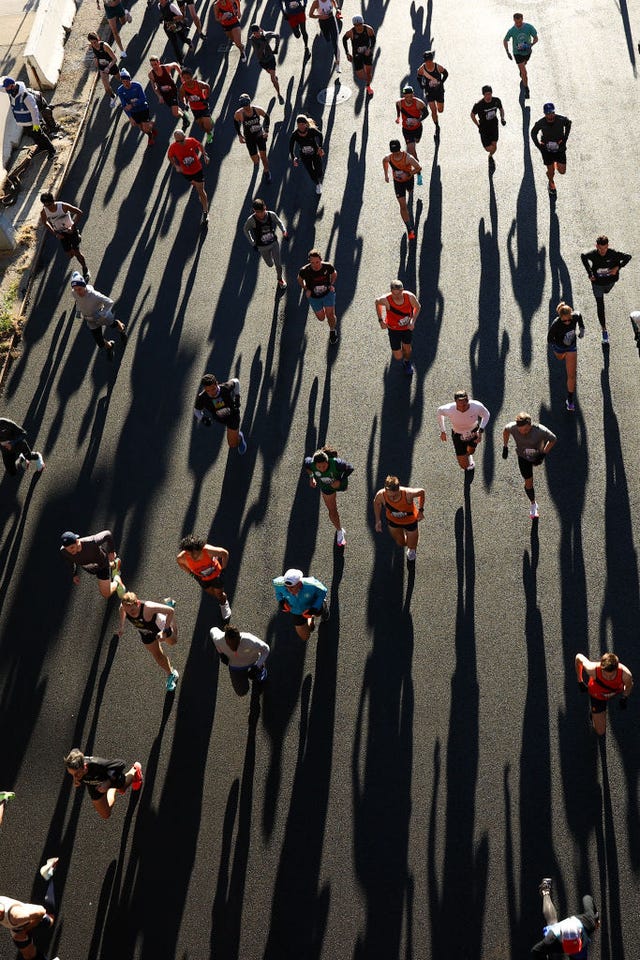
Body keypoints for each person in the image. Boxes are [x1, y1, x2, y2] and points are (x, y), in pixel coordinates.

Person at [118, 592, 179, 692]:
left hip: (159, 626)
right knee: (157, 655)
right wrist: (122, 626)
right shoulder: (124, 607)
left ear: (137, 603)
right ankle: (171, 674)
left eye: (132, 610)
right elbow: (121, 610)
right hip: (145, 632)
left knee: (173, 641)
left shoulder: (148, 607)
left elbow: (171, 611)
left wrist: (164, 631)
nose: (130, 613)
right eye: (128, 611)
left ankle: (168, 606)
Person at [502, 412, 556, 520]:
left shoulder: (540, 430)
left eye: (526, 430)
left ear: (530, 425)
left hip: (537, 456)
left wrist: (543, 454)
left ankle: (533, 503)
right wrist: (505, 446)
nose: (523, 433)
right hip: (523, 458)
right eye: (520, 430)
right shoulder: (512, 427)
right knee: (528, 482)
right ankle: (533, 504)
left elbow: (553, 439)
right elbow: (506, 430)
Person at [64, 748, 143, 820]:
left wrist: (108, 783)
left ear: (84, 767)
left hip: (110, 779)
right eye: (71, 774)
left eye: (76, 774)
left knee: (123, 787)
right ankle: (112, 789)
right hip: (94, 786)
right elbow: (75, 750)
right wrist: (76, 778)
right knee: (106, 815)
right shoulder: (75, 762)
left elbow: (121, 763)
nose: (75, 777)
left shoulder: (98, 764)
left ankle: (135, 770)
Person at [580, 236, 632, 344]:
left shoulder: (613, 253)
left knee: (607, 291)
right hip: (597, 284)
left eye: (605, 248)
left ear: (608, 246)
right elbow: (583, 256)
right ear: (597, 246)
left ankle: (606, 290)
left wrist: (618, 268)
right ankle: (604, 330)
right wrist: (590, 273)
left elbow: (628, 257)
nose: (603, 251)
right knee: (600, 304)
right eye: (600, 249)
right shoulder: (593, 254)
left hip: (610, 282)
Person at [0, 864, 58, 960]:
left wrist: (26, 929)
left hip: (25, 922)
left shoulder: (16, 915)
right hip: (17, 929)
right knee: (29, 956)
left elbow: (41, 911)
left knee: (50, 920)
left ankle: (49, 876)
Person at [303, 446, 353, 547]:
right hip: (327, 488)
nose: (322, 469)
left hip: (340, 485)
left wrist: (340, 481)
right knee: (332, 510)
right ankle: (340, 531)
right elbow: (306, 464)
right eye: (319, 467)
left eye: (324, 466)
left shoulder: (337, 463)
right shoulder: (310, 463)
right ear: (315, 464)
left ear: (328, 461)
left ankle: (342, 487)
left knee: (344, 488)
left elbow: (350, 468)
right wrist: (312, 477)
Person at [69, 272, 127, 360]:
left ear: (84, 286)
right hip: (90, 320)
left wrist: (101, 313)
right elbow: (78, 301)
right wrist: (78, 310)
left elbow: (109, 302)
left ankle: (122, 329)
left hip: (102, 317)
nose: (78, 292)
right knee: (99, 342)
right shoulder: (74, 293)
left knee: (113, 325)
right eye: (75, 289)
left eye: (79, 289)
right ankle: (110, 346)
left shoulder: (94, 295)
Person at [533, 879, 598, 955]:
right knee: (552, 924)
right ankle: (545, 891)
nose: (571, 951)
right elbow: (536, 951)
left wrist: (596, 918)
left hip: (566, 941)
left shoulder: (589, 922)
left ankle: (545, 891)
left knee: (552, 923)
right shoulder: (551, 938)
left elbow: (587, 898)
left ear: (580, 933)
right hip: (559, 940)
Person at [176, 535, 232, 623]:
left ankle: (224, 603)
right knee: (211, 593)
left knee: (219, 595)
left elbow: (224, 553)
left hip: (216, 576)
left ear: (200, 548)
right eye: (188, 553)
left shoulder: (207, 550)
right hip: (202, 579)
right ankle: (220, 597)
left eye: (194, 553)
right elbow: (180, 563)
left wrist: (223, 570)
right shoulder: (182, 557)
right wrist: (192, 574)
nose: (191, 556)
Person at [575, 652, 633, 736]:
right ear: (601, 668)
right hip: (597, 696)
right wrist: (580, 680)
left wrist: (624, 697)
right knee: (600, 732)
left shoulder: (626, 675)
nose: (608, 678)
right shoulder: (592, 669)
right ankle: (594, 715)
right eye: (605, 675)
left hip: (614, 692)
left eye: (612, 675)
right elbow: (578, 657)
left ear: (617, 669)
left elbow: (629, 686)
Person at [60, 529, 125, 599]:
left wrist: (111, 552)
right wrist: (74, 574)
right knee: (106, 568)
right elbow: (70, 561)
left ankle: (117, 582)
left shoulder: (91, 542)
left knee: (106, 594)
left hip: (102, 566)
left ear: (77, 541)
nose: (70, 551)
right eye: (67, 549)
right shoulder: (64, 551)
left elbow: (107, 534)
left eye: (72, 547)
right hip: (91, 568)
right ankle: (114, 564)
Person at [373, 475, 425, 562]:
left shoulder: (408, 493)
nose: (392, 498)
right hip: (394, 522)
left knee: (411, 545)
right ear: (385, 490)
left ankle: (412, 548)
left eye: (394, 496)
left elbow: (422, 492)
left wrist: (421, 510)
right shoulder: (381, 495)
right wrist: (378, 520)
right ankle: (411, 539)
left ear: (399, 490)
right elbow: (377, 503)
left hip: (410, 521)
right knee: (401, 543)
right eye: (389, 496)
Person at [0, 77, 55, 158]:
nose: (6, 88)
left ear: (12, 86)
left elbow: (34, 110)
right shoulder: (11, 92)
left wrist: (36, 124)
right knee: (33, 136)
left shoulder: (26, 96)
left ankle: (52, 150)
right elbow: (1, 88)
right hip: (23, 123)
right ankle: (42, 147)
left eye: (7, 87)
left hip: (31, 122)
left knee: (40, 136)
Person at [437, 389, 491, 472]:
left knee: (471, 451)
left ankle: (468, 455)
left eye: (464, 405)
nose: (462, 409)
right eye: (459, 406)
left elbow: (486, 415)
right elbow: (439, 412)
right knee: (464, 466)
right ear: (455, 402)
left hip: (473, 432)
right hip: (458, 435)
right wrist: (443, 431)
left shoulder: (476, 406)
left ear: (468, 401)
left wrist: (480, 431)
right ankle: (466, 459)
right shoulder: (449, 409)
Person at [193, 373, 247, 454]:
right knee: (231, 436)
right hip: (220, 418)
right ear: (204, 388)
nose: (211, 392)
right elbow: (196, 410)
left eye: (213, 389)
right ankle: (235, 434)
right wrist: (203, 418)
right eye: (208, 390)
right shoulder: (202, 397)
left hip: (233, 416)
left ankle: (239, 437)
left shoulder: (225, 388)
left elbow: (236, 381)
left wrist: (237, 396)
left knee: (232, 444)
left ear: (216, 383)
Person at [375, 280, 420, 376]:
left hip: (406, 328)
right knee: (398, 356)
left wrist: (412, 321)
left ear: (402, 290)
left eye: (399, 293)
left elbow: (418, 307)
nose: (397, 296)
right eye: (394, 294)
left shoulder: (410, 297)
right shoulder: (386, 299)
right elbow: (377, 302)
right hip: (393, 329)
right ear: (391, 292)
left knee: (407, 349)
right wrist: (380, 320)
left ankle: (407, 362)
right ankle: (402, 354)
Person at [40, 193, 89, 278]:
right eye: (45, 205)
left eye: (49, 204)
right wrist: (55, 234)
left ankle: (85, 269)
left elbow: (79, 213)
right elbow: (45, 222)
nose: (48, 207)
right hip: (61, 234)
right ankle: (77, 239)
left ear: (53, 201)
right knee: (70, 255)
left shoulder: (63, 206)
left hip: (71, 231)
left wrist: (72, 226)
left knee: (77, 253)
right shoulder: (44, 212)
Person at [210, 623, 269, 694]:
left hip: (253, 661)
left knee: (260, 678)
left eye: (236, 644)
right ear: (225, 639)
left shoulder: (250, 640)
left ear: (239, 638)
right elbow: (212, 630)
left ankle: (261, 674)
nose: (233, 648)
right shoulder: (219, 639)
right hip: (236, 667)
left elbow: (266, 649)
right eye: (229, 645)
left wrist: (257, 666)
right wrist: (221, 653)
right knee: (241, 692)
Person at [547, 301, 584, 411]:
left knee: (571, 375)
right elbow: (549, 339)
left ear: (571, 314)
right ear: (560, 318)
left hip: (572, 347)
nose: (567, 322)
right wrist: (558, 345)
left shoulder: (575, 316)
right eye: (564, 320)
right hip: (559, 348)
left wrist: (582, 328)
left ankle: (570, 400)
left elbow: (580, 316)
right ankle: (562, 355)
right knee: (560, 358)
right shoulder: (555, 324)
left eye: (569, 319)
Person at [243, 198, 288, 289]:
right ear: (254, 211)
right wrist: (252, 243)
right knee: (270, 264)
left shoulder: (271, 214)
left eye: (263, 210)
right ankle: (270, 259)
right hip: (262, 247)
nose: (262, 213)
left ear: (265, 207)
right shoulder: (251, 220)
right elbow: (245, 230)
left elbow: (279, 222)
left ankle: (280, 279)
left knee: (278, 264)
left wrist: (284, 231)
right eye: (259, 212)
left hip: (273, 243)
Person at [272, 568, 329, 641]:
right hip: (296, 611)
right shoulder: (278, 583)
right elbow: (278, 593)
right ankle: (309, 619)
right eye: (286, 587)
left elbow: (323, 592)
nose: (289, 590)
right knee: (305, 637)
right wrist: (281, 602)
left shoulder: (312, 584)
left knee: (318, 614)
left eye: (292, 587)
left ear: (299, 583)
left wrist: (314, 608)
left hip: (312, 605)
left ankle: (323, 608)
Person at [382, 139, 421, 241]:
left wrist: (408, 174)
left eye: (397, 152)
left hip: (408, 180)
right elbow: (384, 161)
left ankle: (411, 195)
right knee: (403, 206)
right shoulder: (389, 158)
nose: (395, 155)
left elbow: (418, 168)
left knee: (410, 191)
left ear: (400, 149)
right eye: (393, 152)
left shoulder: (408, 158)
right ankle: (409, 228)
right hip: (398, 183)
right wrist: (386, 175)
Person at [167, 129, 210, 222]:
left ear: (185, 136)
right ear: (175, 140)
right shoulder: (173, 147)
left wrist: (204, 155)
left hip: (197, 170)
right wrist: (176, 166)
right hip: (186, 173)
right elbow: (169, 156)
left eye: (182, 140)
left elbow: (199, 145)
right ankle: (200, 193)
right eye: (178, 141)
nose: (181, 142)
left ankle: (205, 211)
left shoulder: (190, 141)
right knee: (194, 184)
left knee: (201, 191)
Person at [297, 249, 338, 344]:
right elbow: (299, 279)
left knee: (330, 315)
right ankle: (331, 319)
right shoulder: (304, 270)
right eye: (312, 262)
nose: (315, 265)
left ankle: (332, 330)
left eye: (317, 262)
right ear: (309, 261)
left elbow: (334, 273)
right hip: (314, 298)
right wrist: (306, 289)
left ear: (321, 259)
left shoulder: (327, 266)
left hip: (328, 294)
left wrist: (331, 284)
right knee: (321, 318)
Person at [531, 103, 571, 196]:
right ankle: (551, 182)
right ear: (544, 114)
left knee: (562, 171)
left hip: (559, 148)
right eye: (548, 113)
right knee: (551, 171)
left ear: (554, 112)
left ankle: (556, 162)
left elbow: (568, 123)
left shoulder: (561, 119)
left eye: (552, 113)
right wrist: (539, 146)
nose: (550, 115)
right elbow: (533, 133)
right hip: (547, 150)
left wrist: (565, 139)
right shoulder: (541, 123)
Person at [233, 94, 271, 181]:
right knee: (255, 161)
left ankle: (266, 171)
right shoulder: (239, 113)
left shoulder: (257, 110)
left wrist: (266, 131)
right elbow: (235, 122)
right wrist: (239, 135)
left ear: (250, 102)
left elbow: (267, 117)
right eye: (244, 106)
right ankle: (256, 156)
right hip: (249, 139)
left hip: (259, 136)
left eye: (247, 105)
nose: (246, 107)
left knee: (263, 157)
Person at [117, 69, 158, 146]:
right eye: (123, 81)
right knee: (141, 128)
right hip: (134, 112)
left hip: (143, 109)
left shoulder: (137, 85)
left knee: (145, 127)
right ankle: (151, 128)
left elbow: (143, 99)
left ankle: (150, 135)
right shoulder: (120, 90)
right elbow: (124, 105)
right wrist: (130, 117)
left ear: (130, 79)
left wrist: (132, 105)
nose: (125, 83)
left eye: (127, 81)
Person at [470, 85, 505, 169]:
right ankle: (490, 153)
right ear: (483, 95)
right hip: (484, 128)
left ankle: (490, 157)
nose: (488, 96)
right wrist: (478, 125)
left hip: (493, 125)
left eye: (490, 94)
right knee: (488, 148)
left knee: (494, 146)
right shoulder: (479, 105)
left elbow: (501, 109)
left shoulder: (496, 100)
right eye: (486, 94)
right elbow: (472, 115)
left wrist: (502, 118)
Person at [148, 56, 189, 129]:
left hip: (172, 91)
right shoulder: (151, 74)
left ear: (159, 62)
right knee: (175, 109)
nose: (154, 67)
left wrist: (181, 76)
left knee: (175, 113)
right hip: (164, 95)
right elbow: (154, 87)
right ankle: (184, 115)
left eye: (155, 64)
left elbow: (175, 64)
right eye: (152, 65)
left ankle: (184, 118)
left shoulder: (166, 68)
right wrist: (159, 96)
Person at [395, 85, 427, 176]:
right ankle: (418, 167)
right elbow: (397, 106)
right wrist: (398, 117)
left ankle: (416, 163)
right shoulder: (400, 103)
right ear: (403, 95)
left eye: (411, 96)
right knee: (411, 149)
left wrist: (418, 120)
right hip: (406, 130)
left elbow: (426, 113)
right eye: (407, 96)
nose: (409, 98)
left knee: (417, 141)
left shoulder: (418, 103)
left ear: (413, 94)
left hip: (417, 128)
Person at [503, 12, 537, 96]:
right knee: (524, 72)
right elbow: (505, 40)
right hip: (517, 53)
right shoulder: (512, 30)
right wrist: (507, 52)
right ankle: (526, 88)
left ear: (522, 19)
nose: (518, 24)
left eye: (520, 22)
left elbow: (536, 38)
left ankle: (522, 72)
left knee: (524, 65)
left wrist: (531, 44)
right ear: (513, 20)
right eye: (516, 22)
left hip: (527, 52)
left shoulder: (529, 27)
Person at [289, 114, 325, 194]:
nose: (300, 126)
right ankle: (318, 185)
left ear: (306, 124)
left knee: (319, 172)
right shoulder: (295, 134)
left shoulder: (311, 130)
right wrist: (293, 157)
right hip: (305, 156)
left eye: (302, 124)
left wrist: (320, 147)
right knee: (311, 172)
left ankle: (318, 178)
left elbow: (320, 135)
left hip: (315, 153)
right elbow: (291, 146)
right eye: (298, 125)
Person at [416, 50, 448, 136]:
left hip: (439, 91)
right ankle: (436, 125)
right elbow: (418, 76)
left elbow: (446, 73)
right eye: (426, 61)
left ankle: (438, 110)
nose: (428, 62)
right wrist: (422, 85)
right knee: (433, 110)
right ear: (424, 61)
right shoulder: (422, 69)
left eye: (429, 60)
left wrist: (441, 82)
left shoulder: (438, 67)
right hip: (429, 92)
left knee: (440, 110)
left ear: (432, 59)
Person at [248, 24, 283, 102]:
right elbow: (259, 53)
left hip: (270, 59)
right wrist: (263, 42)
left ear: (260, 30)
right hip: (262, 61)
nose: (256, 35)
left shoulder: (266, 34)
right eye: (254, 33)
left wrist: (276, 48)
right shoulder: (253, 39)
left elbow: (277, 36)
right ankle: (273, 76)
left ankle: (279, 94)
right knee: (270, 73)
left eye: (257, 32)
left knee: (273, 79)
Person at [178, 68, 213, 144]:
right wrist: (185, 104)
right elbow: (181, 98)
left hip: (203, 106)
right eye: (184, 78)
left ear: (191, 77)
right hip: (195, 109)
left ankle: (209, 134)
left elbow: (207, 87)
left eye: (188, 78)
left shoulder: (198, 84)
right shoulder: (183, 88)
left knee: (208, 127)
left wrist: (206, 97)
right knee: (201, 125)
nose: (186, 80)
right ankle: (208, 122)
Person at [342, 16, 375, 95]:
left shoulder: (368, 29)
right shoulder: (351, 32)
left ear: (362, 23)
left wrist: (370, 49)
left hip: (367, 53)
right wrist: (347, 53)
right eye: (356, 25)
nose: (358, 26)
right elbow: (344, 39)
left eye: (360, 24)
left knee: (368, 73)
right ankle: (367, 79)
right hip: (357, 55)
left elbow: (373, 39)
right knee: (360, 75)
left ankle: (368, 86)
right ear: (354, 25)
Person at [308, 0, 341, 72]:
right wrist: (319, 16)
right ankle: (326, 36)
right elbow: (310, 15)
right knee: (327, 38)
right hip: (323, 22)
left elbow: (334, 2)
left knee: (335, 42)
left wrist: (337, 9)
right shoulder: (316, 2)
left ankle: (338, 65)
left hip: (331, 19)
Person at [88, 33, 119, 106]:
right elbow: (96, 54)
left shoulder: (105, 46)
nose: (94, 44)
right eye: (91, 43)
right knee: (106, 88)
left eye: (95, 42)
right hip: (102, 68)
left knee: (119, 79)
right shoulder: (92, 46)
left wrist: (108, 67)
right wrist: (96, 60)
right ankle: (113, 97)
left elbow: (115, 59)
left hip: (111, 66)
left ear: (98, 39)